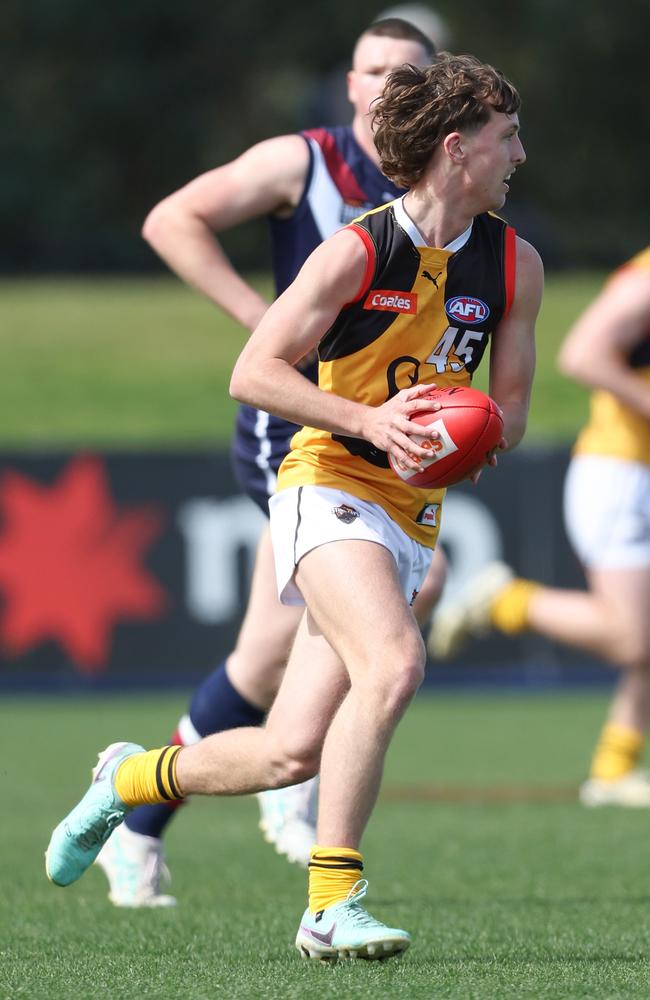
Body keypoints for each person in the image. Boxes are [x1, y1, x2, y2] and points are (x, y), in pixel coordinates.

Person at [46, 52, 542, 961]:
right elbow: (253, 372)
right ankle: (331, 904)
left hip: (411, 515)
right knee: (393, 664)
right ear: (456, 147)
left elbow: (508, 408)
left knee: (289, 753)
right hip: (327, 483)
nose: (521, 153)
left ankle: (130, 778)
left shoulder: (516, 264)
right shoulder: (360, 248)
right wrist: (372, 420)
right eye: (507, 137)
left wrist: (468, 435)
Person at [92, 18, 447, 909]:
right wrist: (267, 320)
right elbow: (171, 220)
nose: (385, 83)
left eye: (408, 71)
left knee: (261, 660)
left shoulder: (444, 191)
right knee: (410, 595)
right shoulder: (307, 163)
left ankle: (139, 814)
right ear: (351, 85)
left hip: (371, 431)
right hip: (293, 428)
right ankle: (292, 785)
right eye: (371, 69)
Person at [429, 247, 650, 807]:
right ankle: (504, 601)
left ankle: (613, 769)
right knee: (634, 638)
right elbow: (582, 355)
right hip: (623, 473)